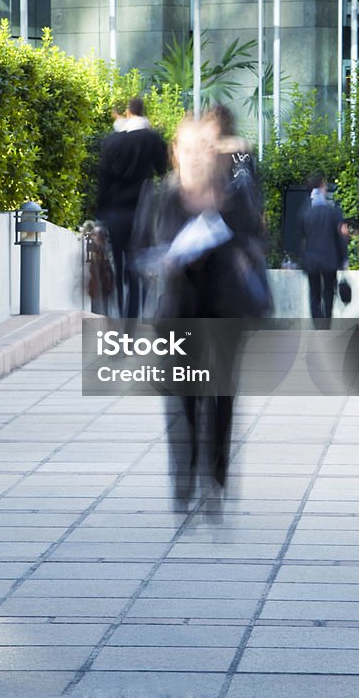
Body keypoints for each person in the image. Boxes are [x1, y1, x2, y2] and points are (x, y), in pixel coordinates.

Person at [150, 111, 266, 499]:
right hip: (179, 313)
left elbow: (253, 234)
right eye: (188, 147)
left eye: (205, 147)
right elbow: (143, 246)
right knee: (184, 397)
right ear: (175, 152)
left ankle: (217, 468)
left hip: (225, 310)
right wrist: (168, 257)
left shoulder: (235, 196)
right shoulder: (164, 197)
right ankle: (186, 469)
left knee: (220, 396)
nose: (197, 155)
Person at [96, 97, 168, 318]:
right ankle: (131, 322)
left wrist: (99, 219)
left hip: (114, 214)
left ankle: (119, 318)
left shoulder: (112, 142)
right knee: (137, 270)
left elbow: (103, 181)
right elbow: (163, 171)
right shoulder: (152, 139)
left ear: (128, 113)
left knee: (118, 266)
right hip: (140, 213)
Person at [298, 172, 348, 326]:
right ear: (321, 187)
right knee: (328, 293)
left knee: (314, 293)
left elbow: (301, 238)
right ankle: (326, 324)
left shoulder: (304, 213)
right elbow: (340, 237)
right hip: (329, 259)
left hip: (311, 260)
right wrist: (344, 259)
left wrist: (300, 259)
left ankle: (317, 324)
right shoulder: (332, 212)